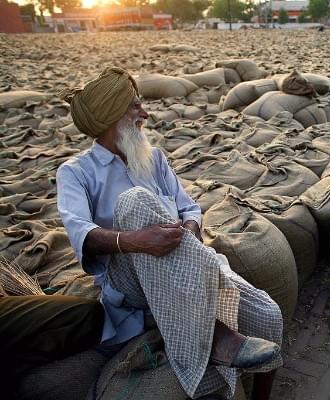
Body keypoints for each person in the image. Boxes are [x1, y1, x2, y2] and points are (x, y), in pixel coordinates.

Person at [55, 67, 283, 400]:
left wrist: (187, 230)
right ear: (110, 116)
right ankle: (215, 334)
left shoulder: (154, 159)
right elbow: (80, 231)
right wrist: (135, 240)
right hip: (131, 279)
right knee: (134, 202)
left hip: (188, 261)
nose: (144, 114)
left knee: (268, 314)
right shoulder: (76, 172)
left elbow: (189, 208)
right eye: (134, 107)